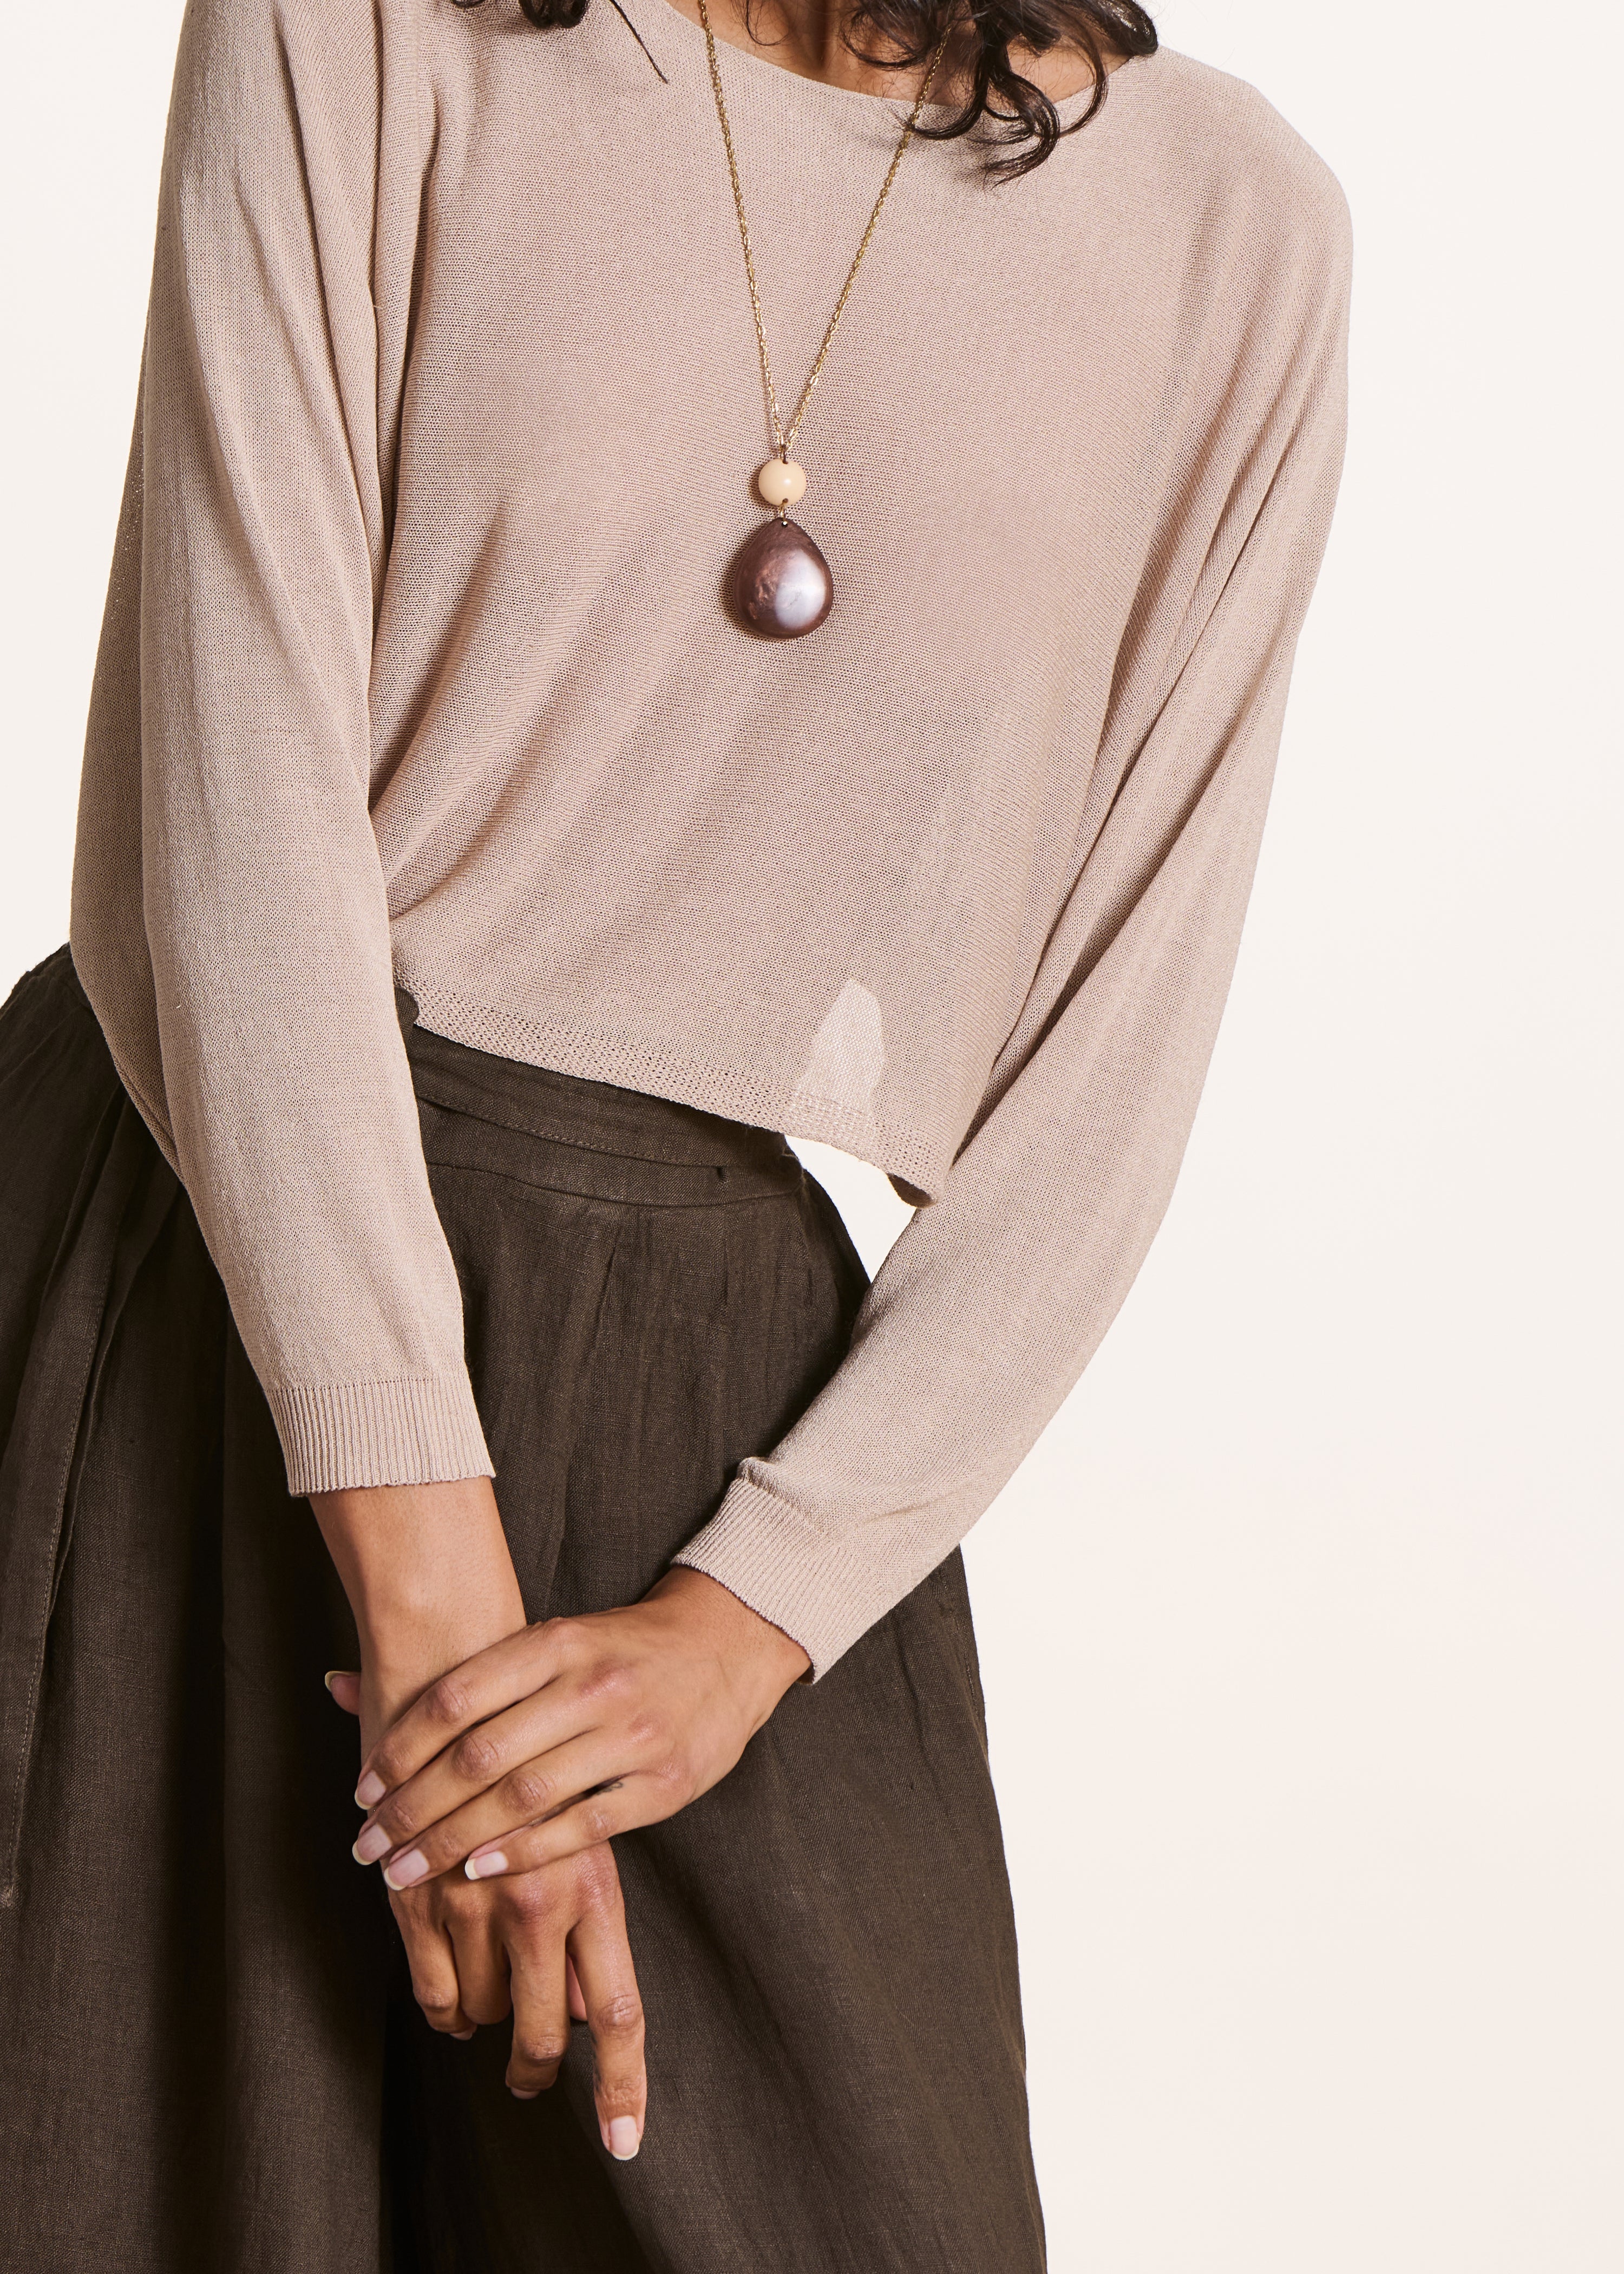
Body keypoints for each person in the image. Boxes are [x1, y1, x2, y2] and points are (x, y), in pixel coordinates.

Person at [0, 0, 1350, 2263]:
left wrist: (748, 1624)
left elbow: (1115, 1055)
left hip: (713, 1416)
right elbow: (224, 807)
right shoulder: (356, 31)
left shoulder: (1231, 232)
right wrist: (434, 1608)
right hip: (193, 1276)